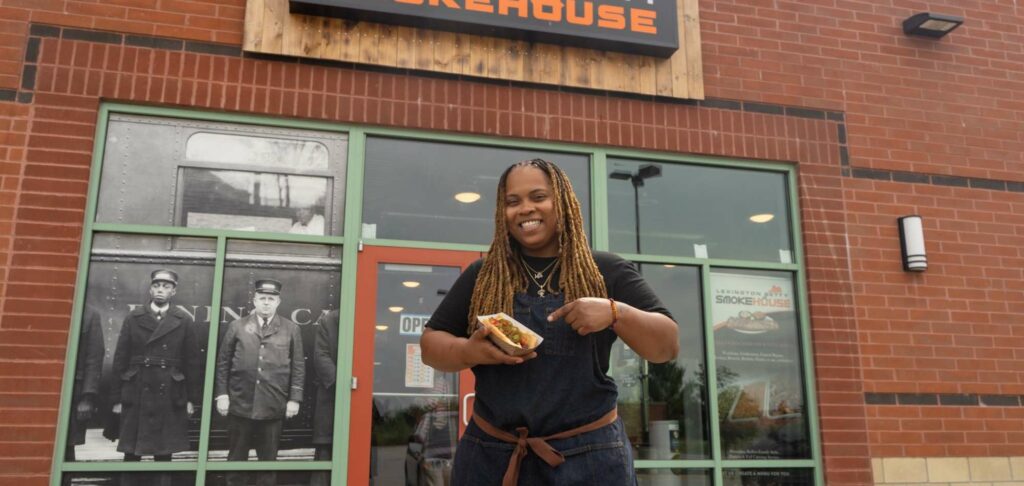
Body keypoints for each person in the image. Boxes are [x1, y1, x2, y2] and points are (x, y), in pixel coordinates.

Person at [421, 158, 679, 485]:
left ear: (563, 203)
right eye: (513, 202)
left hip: (592, 458)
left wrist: (615, 312)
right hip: (493, 457)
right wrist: (470, 351)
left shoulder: (606, 271)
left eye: (538, 197)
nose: (526, 209)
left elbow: (666, 346)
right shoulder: (483, 276)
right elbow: (431, 346)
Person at [215, 279, 305, 486]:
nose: (266, 303)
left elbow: (298, 366)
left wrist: (295, 399)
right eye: (262, 298)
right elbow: (223, 363)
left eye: (271, 299)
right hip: (240, 402)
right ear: (254, 300)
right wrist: (222, 395)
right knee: (236, 460)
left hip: (273, 404)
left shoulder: (291, 329)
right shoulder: (237, 326)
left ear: (278, 302)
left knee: (268, 463)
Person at [110, 270, 201, 471]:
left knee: (164, 453)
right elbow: (120, 359)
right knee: (132, 452)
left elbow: (192, 363)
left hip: (170, 391)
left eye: (166, 287)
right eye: (157, 286)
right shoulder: (134, 317)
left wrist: (191, 400)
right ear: (150, 289)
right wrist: (117, 399)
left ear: (173, 292)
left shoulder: (183, 320)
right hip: (137, 390)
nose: (160, 290)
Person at [66, 308, 104, 461]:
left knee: (67, 447)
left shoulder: (89, 315)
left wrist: (87, 397)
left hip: (73, 393)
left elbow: (94, 358)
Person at [310, 309, 339, 486]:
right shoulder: (330, 320)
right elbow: (320, 356)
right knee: (325, 451)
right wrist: (344, 384)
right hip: (331, 398)